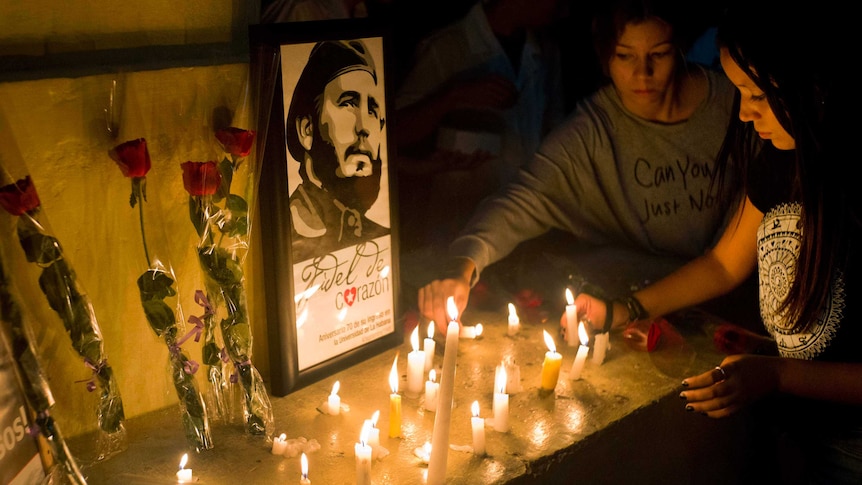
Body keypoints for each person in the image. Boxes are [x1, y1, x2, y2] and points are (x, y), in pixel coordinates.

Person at [573, 1, 861, 482]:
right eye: (739, 92)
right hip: (796, 435)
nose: (745, 113)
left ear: (815, 84)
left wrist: (775, 374)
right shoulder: (780, 158)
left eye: (758, 94)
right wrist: (626, 308)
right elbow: (726, 263)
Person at [416, 0, 738, 334]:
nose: (642, 73)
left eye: (659, 54)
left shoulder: (738, 107)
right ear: (605, 56)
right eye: (625, 55)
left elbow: (731, 259)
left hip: (728, 310)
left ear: (681, 50)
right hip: (630, 306)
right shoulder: (592, 133)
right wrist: (461, 267)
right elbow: (521, 201)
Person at [394, 0, 569, 252]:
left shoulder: (545, 50)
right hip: (458, 222)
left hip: (528, 219)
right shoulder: (447, 48)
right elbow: (395, 133)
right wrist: (452, 97)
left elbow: (556, 129)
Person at [285, 39, 390, 262]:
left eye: (372, 110)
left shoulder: (381, 239)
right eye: (349, 103)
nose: (364, 127)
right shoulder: (287, 231)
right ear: (307, 130)